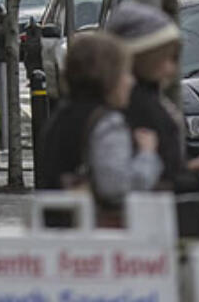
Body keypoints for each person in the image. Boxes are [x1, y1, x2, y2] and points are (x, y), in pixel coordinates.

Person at [106, 1, 199, 194]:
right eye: (167, 58)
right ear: (146, 58)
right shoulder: (138, 103)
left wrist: (192, 168)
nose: (172, 68)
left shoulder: (144, 97)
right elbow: (144, 182)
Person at [38, 30, 163, 222]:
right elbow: (116, 186)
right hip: (99, 238)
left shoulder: (61, 115)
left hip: (60, 232)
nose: (130, 82)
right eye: (125, 73)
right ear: (108, 78)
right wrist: (147, 155)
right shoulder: (108, 123)